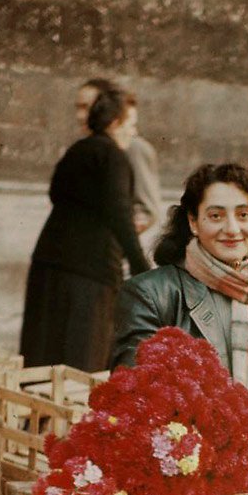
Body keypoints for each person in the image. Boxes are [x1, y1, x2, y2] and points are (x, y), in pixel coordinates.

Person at [112, 163, 248, 415]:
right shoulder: (150, 293)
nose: (232, 229)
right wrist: (222, 410)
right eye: (216, 216)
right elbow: (136, 386)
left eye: (243, 215)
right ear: (193, 222)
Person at [20, 88, 150, 372]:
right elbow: (121, 216)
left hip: (49, 266)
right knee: (81, 362)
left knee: (42, 356)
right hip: (89, 276)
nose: (133, 132)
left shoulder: (77, 149)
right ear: (114, 123)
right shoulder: (113, 156)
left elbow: (56, 194)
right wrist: (143, 269)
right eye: (131, 125)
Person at [75, 77, 162, 239]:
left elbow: (146, 211)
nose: (80, 115)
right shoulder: (86, 149)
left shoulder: (133, 148)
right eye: (78, 107)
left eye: (88, 107)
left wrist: (105, 242)